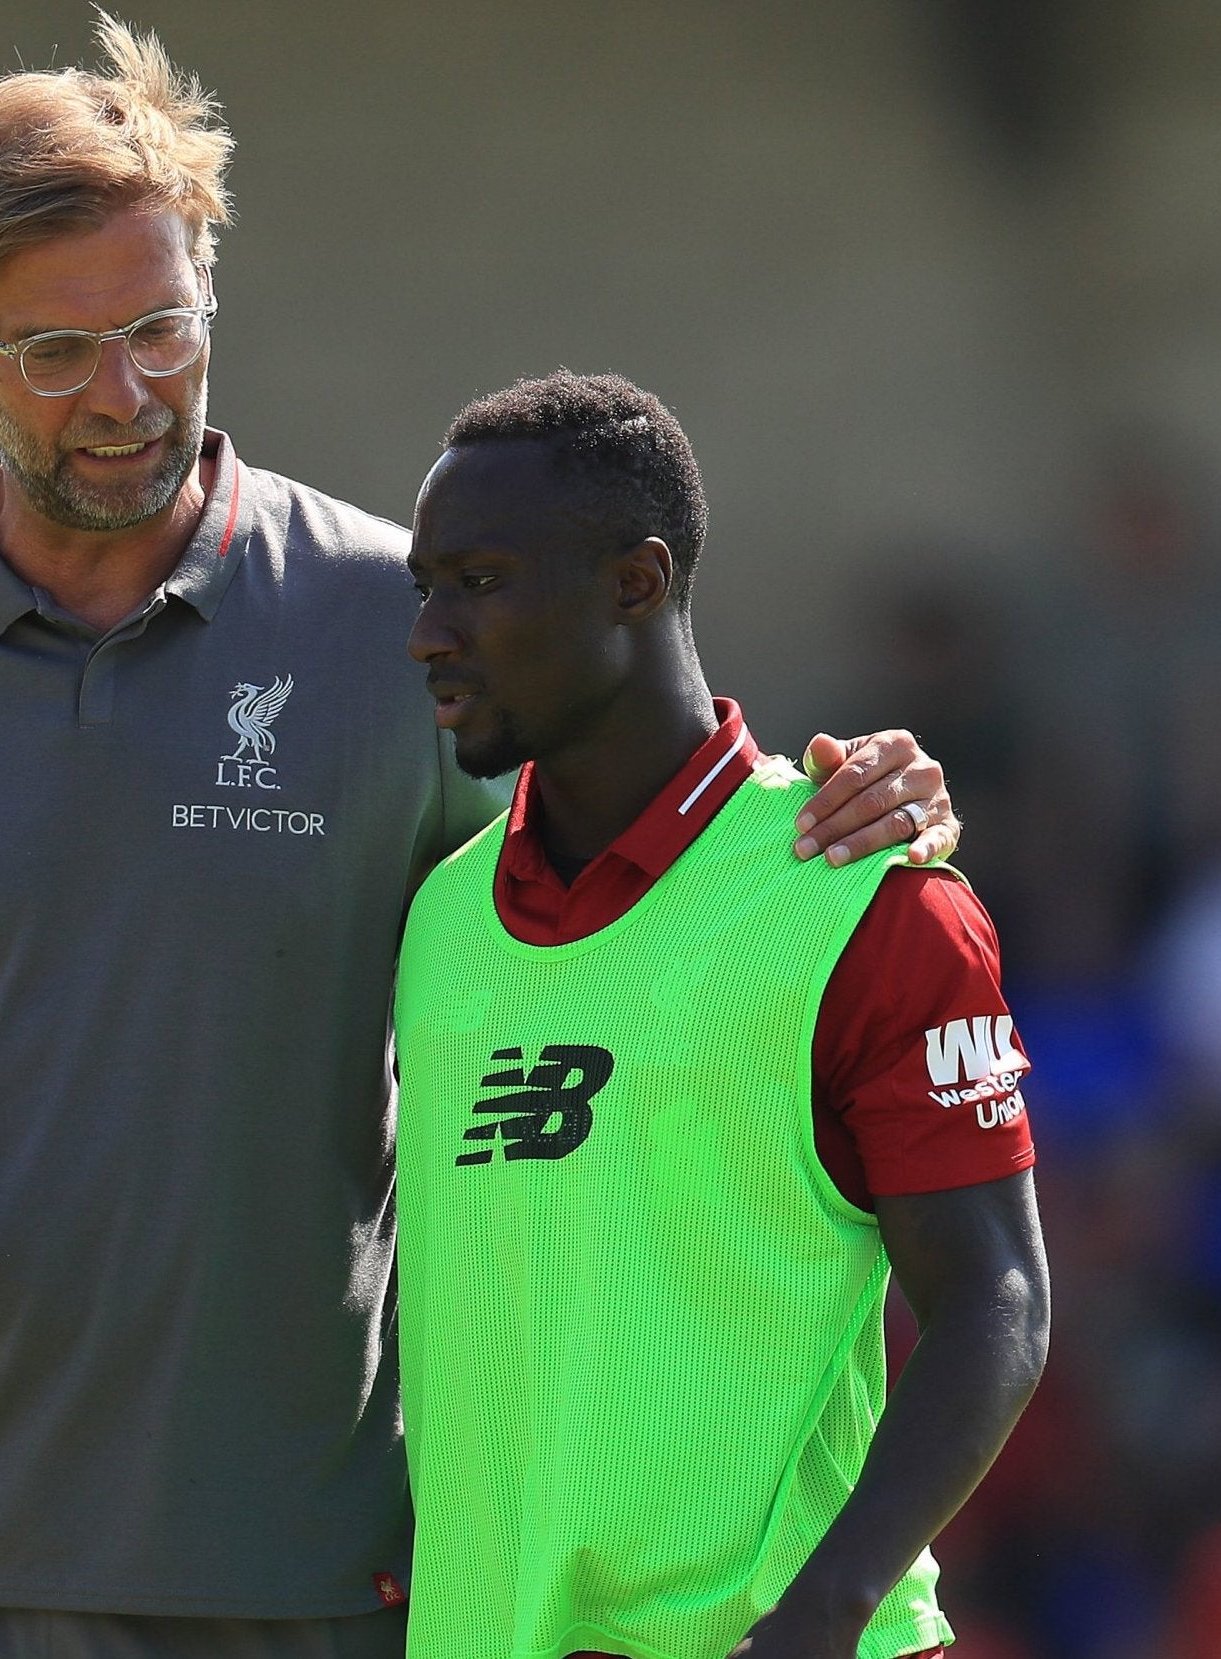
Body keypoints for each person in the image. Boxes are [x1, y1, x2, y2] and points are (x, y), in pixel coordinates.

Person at [0, 21, 958, 1659]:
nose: (125, 393)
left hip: (288, 1565)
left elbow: (654, 843)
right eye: (58, 353)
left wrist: (850, 801)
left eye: (163, 330)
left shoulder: (397, 619)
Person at [394, 373, 1049, 1659]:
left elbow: (997, 1301)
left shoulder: (862, 895)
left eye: (476, 583)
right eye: (423, 587)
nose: (426, 631)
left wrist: (819, 1617)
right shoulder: (439, 919)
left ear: (634, 584)